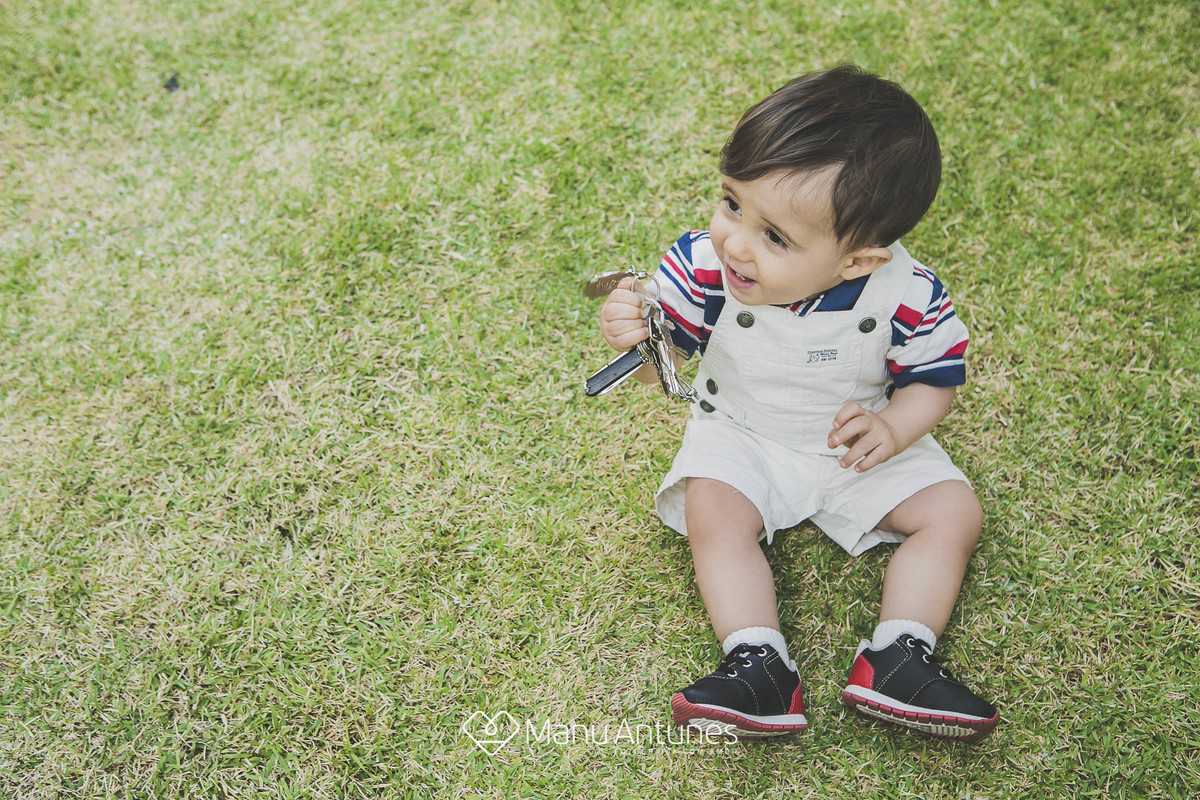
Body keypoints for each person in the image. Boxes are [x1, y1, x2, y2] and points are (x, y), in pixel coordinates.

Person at [597, 65, 998, 740]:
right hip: (743, 431)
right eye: (731, 203)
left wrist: (895, 427)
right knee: (714, 510)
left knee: (954, 512)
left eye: (775, 237)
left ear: (858, 262)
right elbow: (660, 367)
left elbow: (936, 380)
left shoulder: (908, 292)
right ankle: (757, 662)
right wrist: (636, 338)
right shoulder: (702, 267)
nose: (736, 242)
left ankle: (899, 653)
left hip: (855, 441)